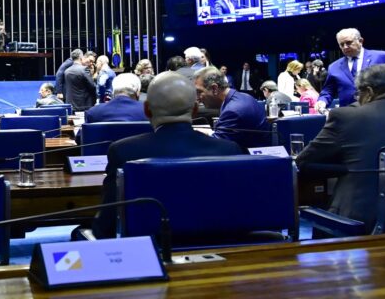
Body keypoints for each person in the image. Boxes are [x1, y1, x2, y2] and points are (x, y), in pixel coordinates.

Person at [91, 72, 241, 238]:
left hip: (150, 255)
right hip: (221, 249)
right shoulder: (230, 150)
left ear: (147, 109)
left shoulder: (123, 152)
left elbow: (106, 226)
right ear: (195, 111)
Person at [296, 65, 385, 233]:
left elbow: (303, 161)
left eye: (358, 94)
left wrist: (347, 169)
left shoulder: (346, 117)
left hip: (358, 225)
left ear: (368, 91)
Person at [316, 28, 385, 113]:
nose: (345, 47)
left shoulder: (381, 57)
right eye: (342, 44)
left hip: (381, 112)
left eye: (349, 42)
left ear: (361, 41)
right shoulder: (334, 66)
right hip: (349, 115)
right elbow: (328, 90)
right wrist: (322, 101)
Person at [195, 66, 270, 151]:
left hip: (251, 161)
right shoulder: (243, 97)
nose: (197, 98)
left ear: (214, 88)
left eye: (199, 92)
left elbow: (217, 148)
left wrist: (194, 135)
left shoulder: (232, 111)